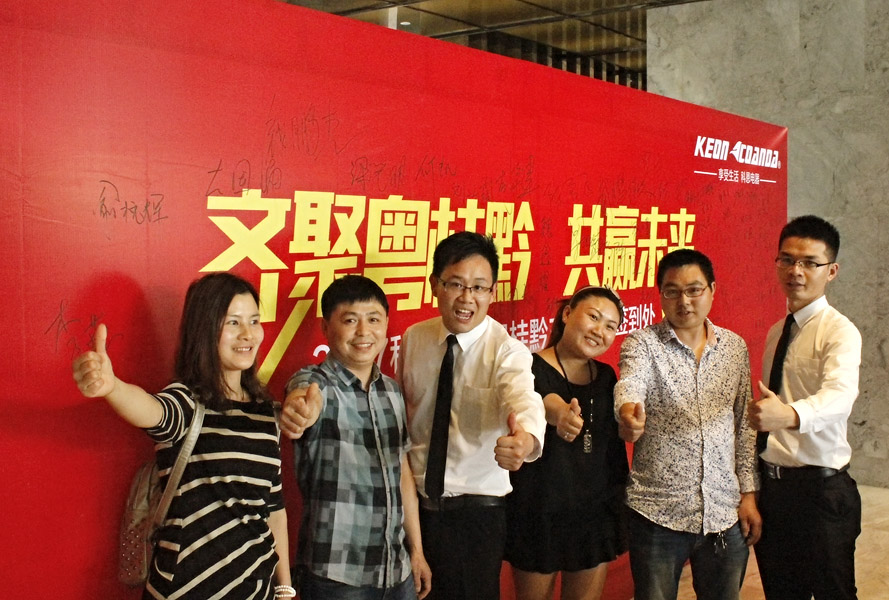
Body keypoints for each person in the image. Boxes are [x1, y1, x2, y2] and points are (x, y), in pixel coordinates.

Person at [72, 272, 293, 600]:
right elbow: (154, 412)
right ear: (205, 329)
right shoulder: (188, 401)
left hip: (256, 590)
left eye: (254, 321)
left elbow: (273, 507)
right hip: (186, 589)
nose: (248, 334)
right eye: (233, 323)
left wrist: (284, 588)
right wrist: (112, 388)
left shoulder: (265, 412)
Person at [396, 231, 546, 600]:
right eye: (456, 284)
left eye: (479, 287)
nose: (467, 298)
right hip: (413, 512)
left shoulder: (506, 351)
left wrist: (525, 441)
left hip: (475, 517)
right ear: (435, 285)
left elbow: (524, 398)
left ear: (492, 292)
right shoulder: (414, 339)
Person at [614, 249, 761, 600]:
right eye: (672, 291)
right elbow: (630, 383)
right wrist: (627, 412)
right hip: (658, 513)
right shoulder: (643, 343)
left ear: (712, 290)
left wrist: (748, 494)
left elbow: (744, 425)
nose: (684, 302)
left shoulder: (734, 348)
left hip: (724, 510)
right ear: (660, 294)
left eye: (694, 290)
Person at [278, 275, 431, 600]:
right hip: (338, 575)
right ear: (326, 327)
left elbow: (401, 471)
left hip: (397, 570)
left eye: (373, 319)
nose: (364, 332)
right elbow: (301, 397)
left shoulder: (391, 390)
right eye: (350, 320)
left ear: (386, 323)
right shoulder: (316, 383)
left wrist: (416, 550)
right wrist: (299, 410)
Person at [749, 215, 862, 600]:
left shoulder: (840, 331)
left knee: (834, 592)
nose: (795, 271)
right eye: (787, 260)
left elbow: (840, 396)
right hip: (774, 491)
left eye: (809, 263)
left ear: (831, 271)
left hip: (821, 492)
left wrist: (790, 415)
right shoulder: (776, 332)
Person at [505, 286, 629, 600]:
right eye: (594, 317)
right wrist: (559, 413)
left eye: (610, 326)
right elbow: (544, 401)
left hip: (593, 515)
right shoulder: (528, 366)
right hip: (538, 514)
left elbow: (612, 451)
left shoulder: (606, 377)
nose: (599, 331)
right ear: (567, 313)